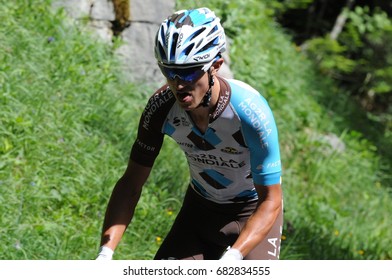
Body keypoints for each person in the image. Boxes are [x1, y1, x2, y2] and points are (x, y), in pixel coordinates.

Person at [96, 7, 283, 260]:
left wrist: (233, 257)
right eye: (169, 71)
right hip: (200, 210)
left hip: (253, 210)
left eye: (189, 71)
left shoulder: (250, 113)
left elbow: (270, 200)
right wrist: (105, 254)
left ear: (216, 65)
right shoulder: (161, 107)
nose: (178, 84)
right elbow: (131, 183)